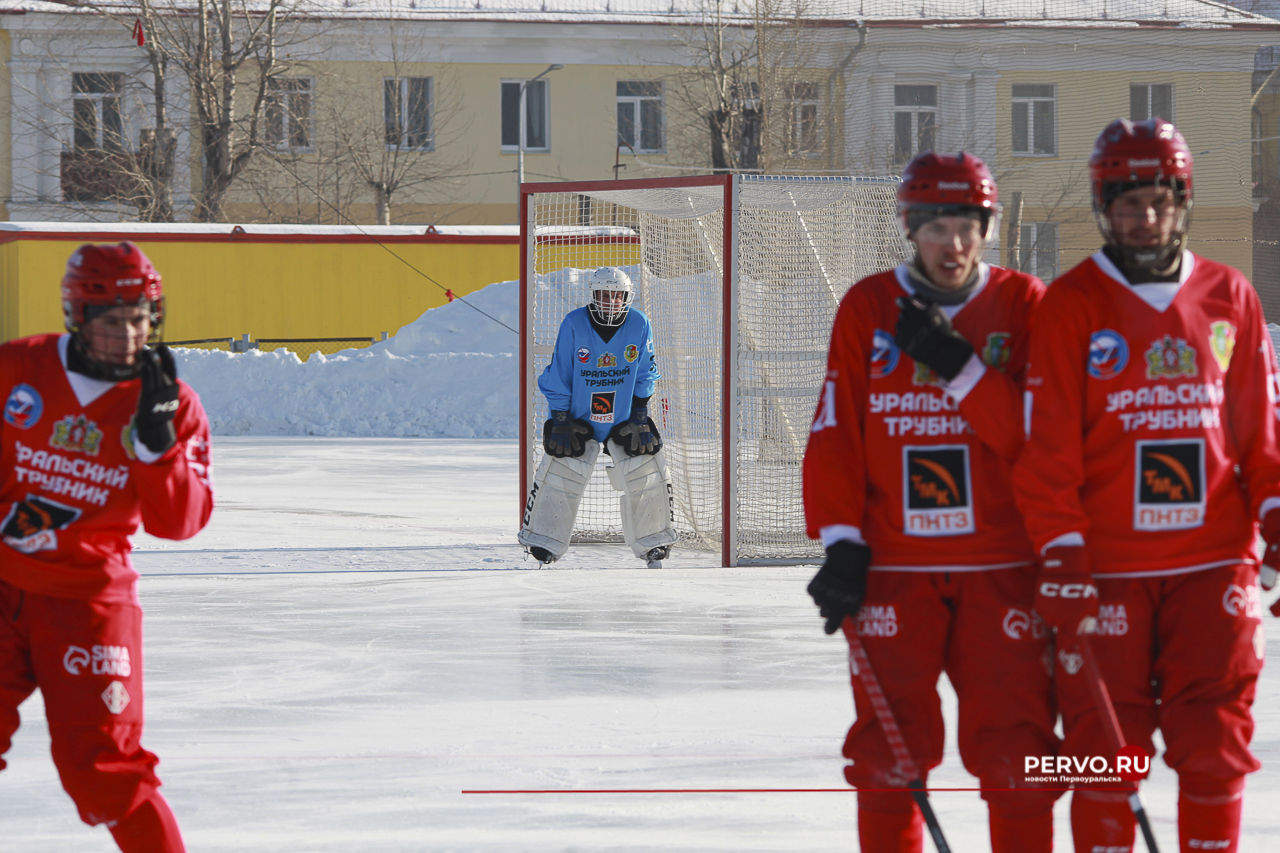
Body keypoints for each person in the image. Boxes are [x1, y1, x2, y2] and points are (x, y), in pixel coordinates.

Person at [1013, 117, 1278, 853]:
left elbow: (1261, 433)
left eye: (1160, 201)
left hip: (1213, 564)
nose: (1146, 218)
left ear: (1182, 201)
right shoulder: (1071, 303)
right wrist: (1062, 552)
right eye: (1129, 204)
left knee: (1215, 743)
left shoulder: (1230, 294)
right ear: (1104, 207)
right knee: (1103, 757)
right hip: (1108, 570)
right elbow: (1047, 447)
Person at [803, 151, 1059, 852]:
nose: (953, 243)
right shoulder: (868, 306)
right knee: (888, 757)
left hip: (1001, 565)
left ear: (988, 228)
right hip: (896, 567)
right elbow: (837, 432)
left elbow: (1036, 441)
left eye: (968, 226)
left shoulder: (1026, 303)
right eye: (937, 226)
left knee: (1020, 755)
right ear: (911, 228)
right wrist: (841, 543)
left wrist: (959, 366)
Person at [0, 242, 213, 853]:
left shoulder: (171, 403)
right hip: (3, 584)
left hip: (87, 604)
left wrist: (157, 447)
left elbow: (180, 523)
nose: (128, 336)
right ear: (78, 317)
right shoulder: (19, 368)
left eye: (139, 319)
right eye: (112, 322)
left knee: (105, 773)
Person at [518, 266, 676, 568]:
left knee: (647, 473)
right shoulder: (574, 323)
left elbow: (646, 371)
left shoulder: (639, 322)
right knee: (561, 476)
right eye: (604, 295)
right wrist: (561, 419)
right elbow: (559, 373)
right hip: (578, 419)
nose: (611, 301)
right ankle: (543, 542)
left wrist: (640, 414)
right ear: (593, 295)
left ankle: (655, 543)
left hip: (624, 419)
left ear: (626, 297)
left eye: (617, 296)